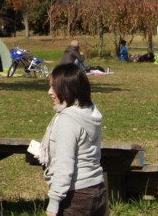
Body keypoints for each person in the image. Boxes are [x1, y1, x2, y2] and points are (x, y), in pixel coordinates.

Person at [36, 63, 107, 216]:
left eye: (54, 87)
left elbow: (65, 165)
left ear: (67, 88)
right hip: (97, 189)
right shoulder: (89, 112)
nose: (49, 92)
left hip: (76, 196)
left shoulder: (67, 120)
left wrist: (53, 203)